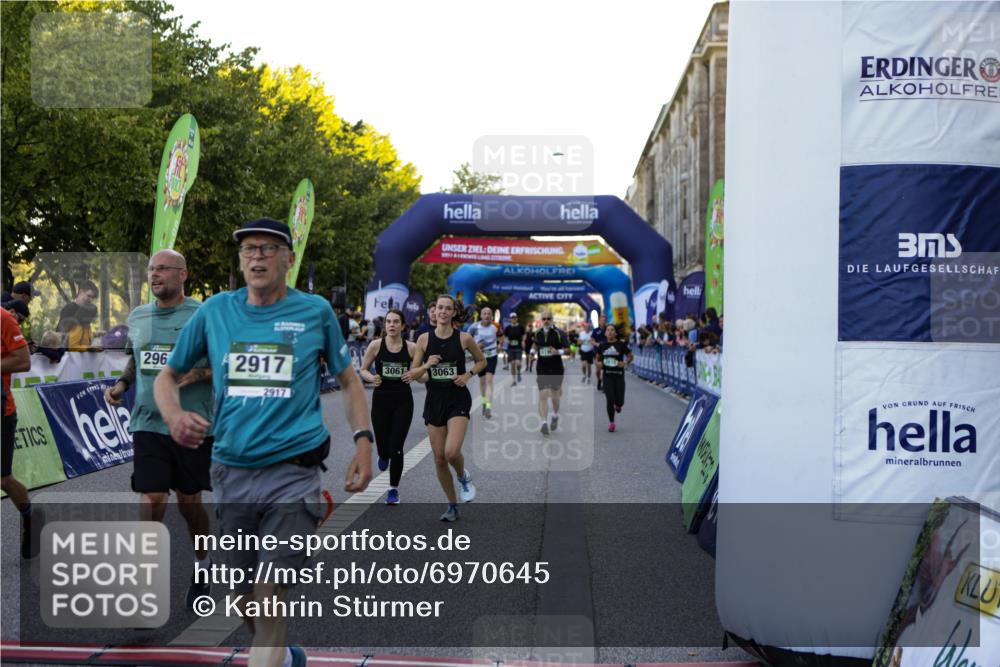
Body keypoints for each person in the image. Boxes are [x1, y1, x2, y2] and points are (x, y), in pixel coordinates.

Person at [154, 218, 373, 667]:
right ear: (240, 260)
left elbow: (349, 381)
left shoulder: (314, 312)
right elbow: (168, 375)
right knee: (240, 593)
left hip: (294, 473)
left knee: (270, 589)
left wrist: (364, 442)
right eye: (250, 249)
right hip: (231, 470)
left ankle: (269, 655)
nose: (258, 256)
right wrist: (174, 415)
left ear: (289, 260)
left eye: (269, 249)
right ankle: (282, 656)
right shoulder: (215, 311)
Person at [104, 250, 214, 609]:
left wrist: (187, 376)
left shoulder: (202, 314)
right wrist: (121, 385)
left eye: (162, 269)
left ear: (183, 274)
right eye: (151, 269)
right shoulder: (138, 315)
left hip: (189, 423)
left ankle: (203, 565)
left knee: (189, 504)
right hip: (147, 421)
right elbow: (136, 358)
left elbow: (222, 365)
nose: (154, 275)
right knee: (151, 496)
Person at [406, 294, 485, 522]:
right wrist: (426, 366)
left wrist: (468, 375)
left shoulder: (464, 338)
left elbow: (482, 361)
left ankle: (463, 477)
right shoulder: (422, 340)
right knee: (439, 459)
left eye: (447, 308)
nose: (442, 312)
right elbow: (414, 375)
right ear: (433, 311)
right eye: (439, 307)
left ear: (453, 313)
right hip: (435, 400)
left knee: (451, 452)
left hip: (457, 399)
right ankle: (452, 505)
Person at [358, 309, 418, 505]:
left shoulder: (411, 348)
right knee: (384, 447)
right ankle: (382, 455)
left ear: (402, 325)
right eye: (388, 322)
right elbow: (363, 370)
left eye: (396, 322)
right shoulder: (376, 346)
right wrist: (371, 377)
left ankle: (393, 490)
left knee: (397, 447)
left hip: (403, 401)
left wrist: (414, 374)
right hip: (381, 401)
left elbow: (422, 372)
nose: (391, 325)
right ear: (384, 326)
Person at [1, 307, 44, 559]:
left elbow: (24, 361)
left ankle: (29, 518)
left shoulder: (4, 319)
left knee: (3, 480)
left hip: (1, 411)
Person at [534, 309, 569, 435]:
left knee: (555, 396)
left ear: (552, 319)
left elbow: (569, 350)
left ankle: (554, 415)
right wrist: (532, 353)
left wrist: (558, 352)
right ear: (541, 320)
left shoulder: (560, 333)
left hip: (556, 368)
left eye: (549, 318)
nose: (546, 321)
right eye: (544, 319)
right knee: (543, 394)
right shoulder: (537, 333)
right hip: (542, 368)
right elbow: (535, 345)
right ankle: (544, 422)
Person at [595, 324, 633, 432]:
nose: (610, 332)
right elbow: (597, 359)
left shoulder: (621, 345)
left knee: (620, 401)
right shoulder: (602, 346)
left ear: (615, 333)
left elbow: (630, 356)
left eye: (612, 330)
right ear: (605, 333)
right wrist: (598, 364)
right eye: (608, 330)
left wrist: (625, 363)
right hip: (607, 376)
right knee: (609, 399)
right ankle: (611, 422)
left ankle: (618, 405)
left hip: (619, 376)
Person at [468, 307, 500, 418]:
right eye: (484, 313)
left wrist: (499, 345)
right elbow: (466, 340)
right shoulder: (474, 327)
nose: (487, 315)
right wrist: (475, 348)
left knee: (489, 381)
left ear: (491, 316)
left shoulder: (495, 327)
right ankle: (484, 401)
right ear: (481, 315)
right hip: (479, 357)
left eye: (489, 314)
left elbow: (501, 336)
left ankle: (488, 406)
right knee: (482, 383)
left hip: (492, 356)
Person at [58, 280, 99, 351]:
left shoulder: (88, 310)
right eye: (88, 296)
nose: (90, 300)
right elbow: (61, 332)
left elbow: (82, 333)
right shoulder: (68, 308)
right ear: (81, 292)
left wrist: (94, 334)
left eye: (93, 297)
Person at [502, 313, 525, 386]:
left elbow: (524, 334)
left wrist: (523, 341)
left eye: (514, 318)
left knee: (518, 363)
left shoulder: (520, 327)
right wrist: (507, 341)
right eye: (512, 318)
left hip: (518, 347)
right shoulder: (508, 328)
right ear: (510, 319)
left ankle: (518, 371)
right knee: (512, 364)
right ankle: (514, 380)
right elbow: (505, 336)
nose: (513, 319)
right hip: (510, 348)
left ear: (516, 318)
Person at [592, 313, 608, 390]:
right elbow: (592, 340)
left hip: (607, 352)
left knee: (605, 369)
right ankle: (599, 380)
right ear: (599, 321)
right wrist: (597, 344)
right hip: (597, 353)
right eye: (602, 320)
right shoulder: (595, 330)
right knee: (598, 370)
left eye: (604, 320)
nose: (603, 322)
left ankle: (605, 385)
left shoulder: (608, 329)